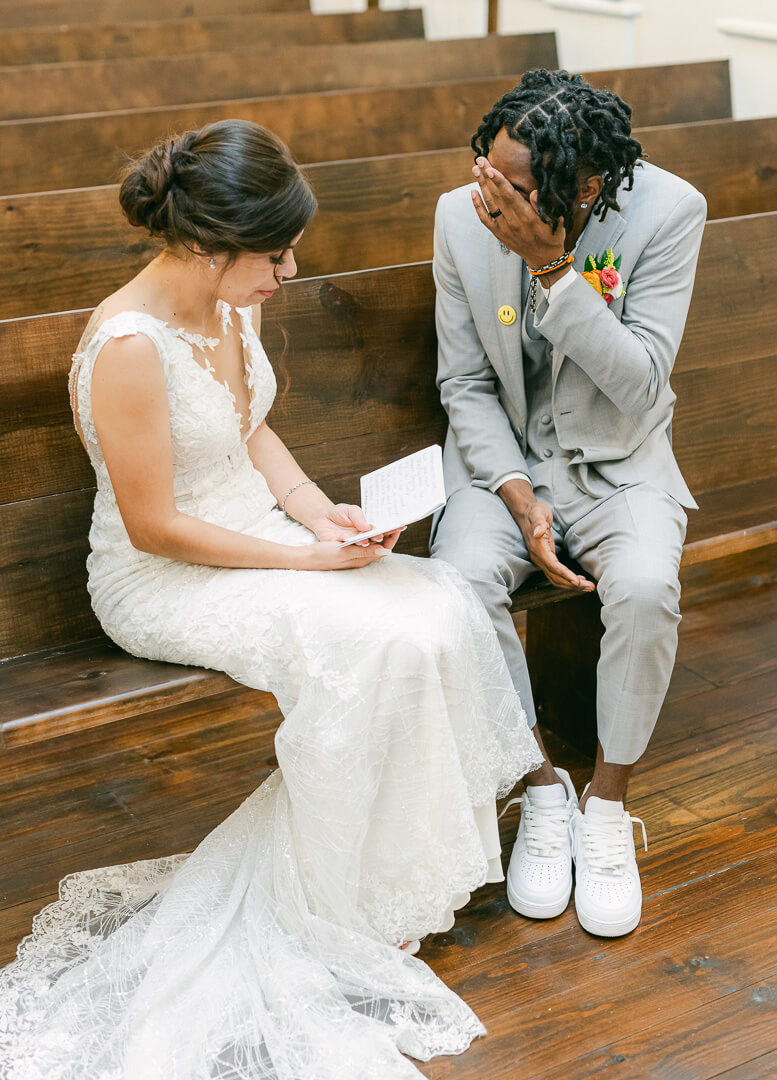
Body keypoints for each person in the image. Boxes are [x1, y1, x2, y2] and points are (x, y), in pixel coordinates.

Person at [0, 120, 539, 1080]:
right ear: (210, 249)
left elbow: (254, 435)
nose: (288, 271)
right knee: (368, 642)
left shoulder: (227, 303)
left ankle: (384, 886)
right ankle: (333, 912)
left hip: (260, 536)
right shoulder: (128, 345)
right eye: (275, 253)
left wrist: (320, 513)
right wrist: (303, 566)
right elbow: (157, 526)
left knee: (437, 610)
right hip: (162, 575)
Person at [431, 69, 707, 938]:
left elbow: (638, 386)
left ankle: (606, 803)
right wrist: (513, 490)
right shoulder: (457, 216)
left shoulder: (667, 214)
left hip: (619, 464)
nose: (489, 194)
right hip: (502, 465)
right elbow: (466, 382)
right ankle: (540, 787)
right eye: (487, 165)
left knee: (646, 587)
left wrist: (552, 266)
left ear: (583, 188)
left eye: (512, 185)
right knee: (459, 583)